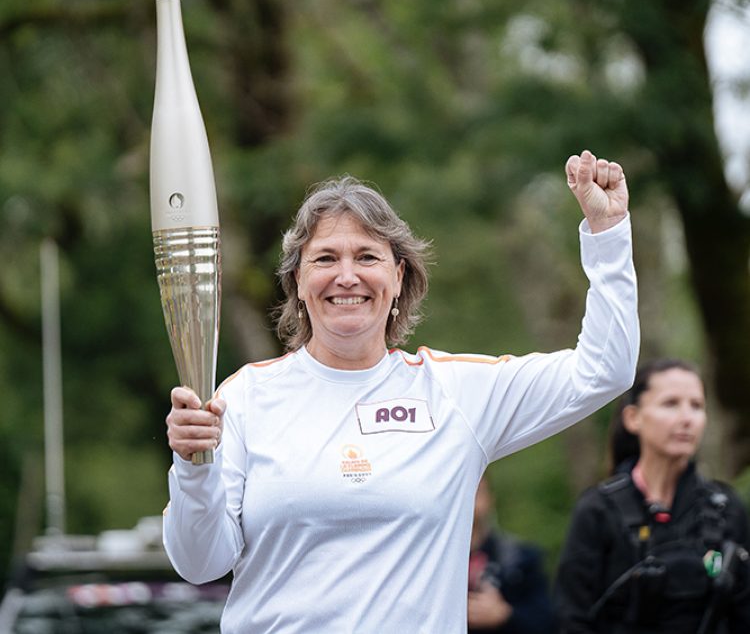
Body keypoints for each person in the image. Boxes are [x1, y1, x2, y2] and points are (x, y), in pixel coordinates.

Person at [163, 150, 639, 633]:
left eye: (367, 257)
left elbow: (605, 370)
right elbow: (199, 564)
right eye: (325, 258)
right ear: (298, 283)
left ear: (398, 277)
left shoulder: (455, 393)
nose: (346, 276)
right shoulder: (244, 397)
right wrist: (193, 468)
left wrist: (609, 234)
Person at [555, 358, 750, 634]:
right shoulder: (598, 510)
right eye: (670, 403)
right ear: (633, 417)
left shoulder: (725, 508)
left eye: (696, 406)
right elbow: (571, 617)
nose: (687, 419)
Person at [468, 474, 558, 633]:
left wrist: (505, 615)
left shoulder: (520, 558)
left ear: (490, 497)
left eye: (476, 490)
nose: (469, 499)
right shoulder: (430, 563)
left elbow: (547, 621)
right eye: (462, 491)